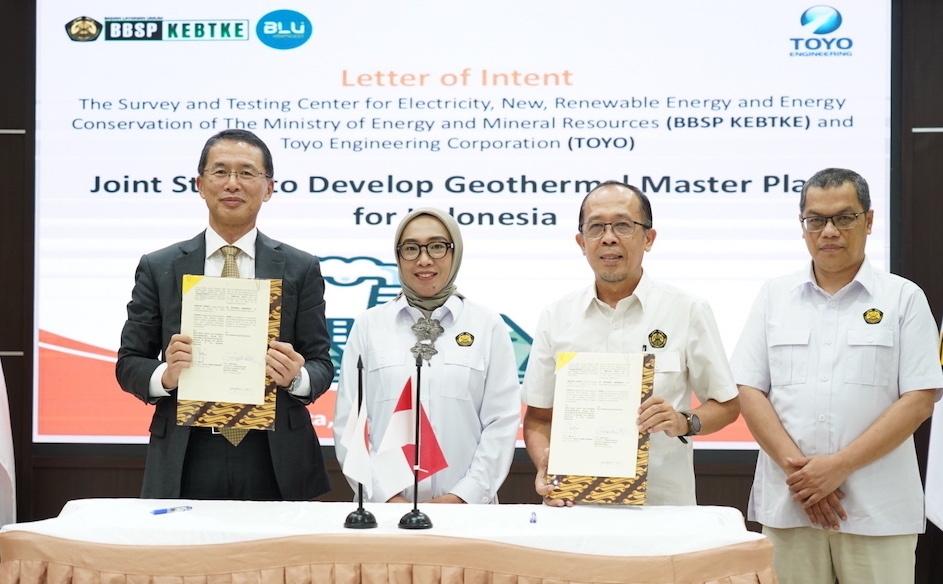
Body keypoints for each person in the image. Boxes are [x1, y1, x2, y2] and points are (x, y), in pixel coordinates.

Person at [731, 168, 943, 583]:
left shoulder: (903, 297)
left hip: (877, 512)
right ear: (803, 226)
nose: (829, 231)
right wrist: (804, 478)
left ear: (868, 221)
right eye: (816, 220)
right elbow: (749, 390)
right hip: (791, 506)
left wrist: (837, 468)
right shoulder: (774, 296)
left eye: (844, 218)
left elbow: (918, 399)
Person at [116, 129, 333, 501]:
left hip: (273, 454)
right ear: (200, 184)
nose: (233, 183)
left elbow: (322, 365)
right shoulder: (160, 266)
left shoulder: (300, 268)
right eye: (220, 172)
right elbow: (129, 363)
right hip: (189, 453)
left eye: (247, 173)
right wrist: (165, 376)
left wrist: (297, 377)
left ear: (269, 188)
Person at [522, 181, 740, 506]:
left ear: (648, 238)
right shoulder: (556, 316)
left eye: (623, 225)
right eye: (596, 227)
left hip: (662, 509)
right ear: (581, 242)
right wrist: (544, 464)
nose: (609, 237)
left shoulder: (687, 310)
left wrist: (683, 421)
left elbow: (727, 405)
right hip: (574, 508)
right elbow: (538, 418)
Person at [333, 207, 520, 504]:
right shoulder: (369, 326)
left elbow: (502, 422)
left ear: (454, 252)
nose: (423, 259)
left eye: (436, 246)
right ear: (397, 256)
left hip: (470, 513)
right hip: (387, 514)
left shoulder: (487, 326)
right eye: (410, 248)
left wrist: (463, 497)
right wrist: (384, 498)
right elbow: (349, 426)